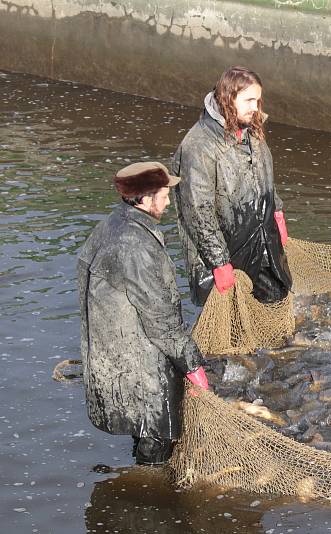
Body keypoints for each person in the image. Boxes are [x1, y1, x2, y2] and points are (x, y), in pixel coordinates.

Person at [77, 162, 209, 466]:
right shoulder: (136, 244)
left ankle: (139, 477)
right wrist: (193, 367)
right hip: (139, 358)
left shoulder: (112, 224)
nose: (167, 200)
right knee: (159, 432)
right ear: (145, 199)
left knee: (142, 426)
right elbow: (162, 320)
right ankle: (147, 488)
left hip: (113, 353)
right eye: (163, 194)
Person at [171, 66, 292, 307]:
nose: (255, 108)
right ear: (228, 98)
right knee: (232, 328)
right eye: (248, 100)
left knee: (277, 306)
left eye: (257, 100)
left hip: (264, 244)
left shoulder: (251, 128)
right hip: (225, 256)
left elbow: (264, 176)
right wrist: (219, 262)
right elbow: (198, 211)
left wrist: (277, 212)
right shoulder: (198, 146)